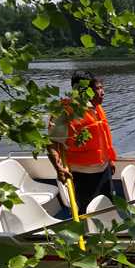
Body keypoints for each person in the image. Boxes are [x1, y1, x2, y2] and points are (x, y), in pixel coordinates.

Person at [47, 71, 117, 213]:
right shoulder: (65, 111)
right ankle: (88, 234)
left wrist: (110, 160)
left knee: (107, 207)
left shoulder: (96, 108)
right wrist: (59, 168)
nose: (102, 92)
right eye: (97, 89)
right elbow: (52, 143)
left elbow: (103, 139)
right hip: (83, 174)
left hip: (104, 170)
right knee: (88, 212)